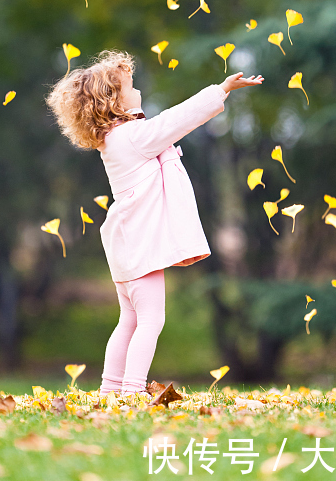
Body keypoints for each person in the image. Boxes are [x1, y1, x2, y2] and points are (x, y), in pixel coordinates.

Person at [45, 49, 264, 398]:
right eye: (130, 86)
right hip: (140, 244)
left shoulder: (113, 139)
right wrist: (221, 89)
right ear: (114, 99)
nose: (138, 90)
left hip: (125, 244)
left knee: (129, 319)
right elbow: (177, 120)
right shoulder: (133, 136)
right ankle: (131, 391)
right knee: (150, 320)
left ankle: (110, 389)